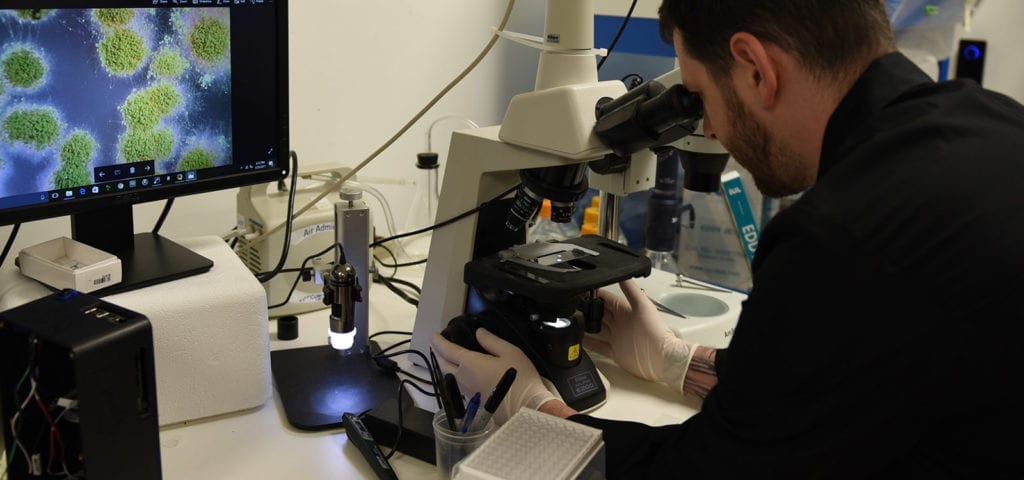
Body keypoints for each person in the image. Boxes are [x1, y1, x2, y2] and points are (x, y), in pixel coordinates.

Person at [432, 0, 1024, 477]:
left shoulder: (839, 236)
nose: (708, 126)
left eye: (700, 95)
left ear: (755, 68)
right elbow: (832, 384)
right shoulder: (992, 120)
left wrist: (536, 412)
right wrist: (680, 361)